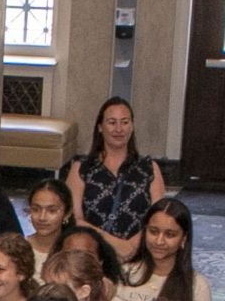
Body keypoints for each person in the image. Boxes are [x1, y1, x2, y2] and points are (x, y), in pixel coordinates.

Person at [66, 98, 166, 262]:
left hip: (139, 255)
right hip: (94, 255)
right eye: (112, 122)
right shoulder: (81, 168)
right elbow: (74, 219)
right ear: (100, 127)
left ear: (132, 126)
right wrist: (116, 244)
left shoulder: (149, 168)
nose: (119, 129)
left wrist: (132, 246)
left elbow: (159, 218)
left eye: (125, 122)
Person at [110, 197, 211, 301]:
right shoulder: (123, 273)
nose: (159, 241)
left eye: (170, 235)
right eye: (153, 231)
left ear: (184, 239)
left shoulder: (198, 286)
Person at [23, 176, 74, 267]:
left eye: (52, 211)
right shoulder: (19, 248)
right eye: (36, 209)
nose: (42, 218)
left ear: (67, 214)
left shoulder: (74, 250)